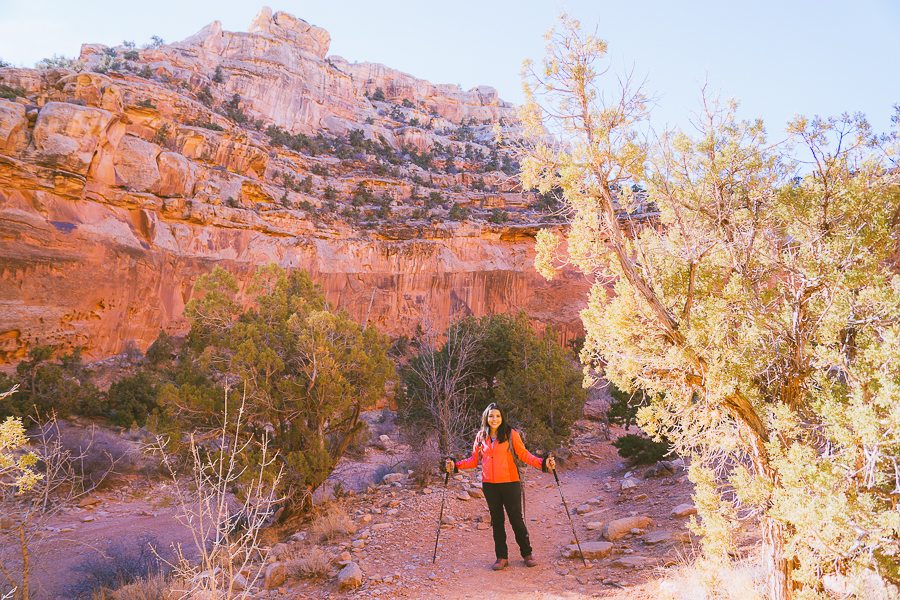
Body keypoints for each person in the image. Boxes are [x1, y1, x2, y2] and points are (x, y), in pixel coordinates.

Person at [445, 402, 556, 570]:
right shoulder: (481, 436)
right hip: (489, 485)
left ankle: (527, 553)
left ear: (502, 417)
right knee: (497, 521)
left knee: (516, 520)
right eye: (491, 416)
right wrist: (456, 465)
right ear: (486, 418)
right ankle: (501, 557)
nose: (494, 419)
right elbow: (474, 460)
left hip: (510, 483)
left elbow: (524, 454)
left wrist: (543, 463)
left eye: (497, 416)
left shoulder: (511, 434)